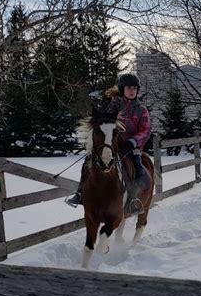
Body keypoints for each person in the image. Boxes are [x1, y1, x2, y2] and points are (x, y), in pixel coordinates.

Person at [65, 72, 151, 207]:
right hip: (113, 145)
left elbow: (145, 131)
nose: (132, 91)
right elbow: (106, 123)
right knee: (88, 162)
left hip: (132, 148)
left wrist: (133, 142)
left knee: (138, 169)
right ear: (123, 89)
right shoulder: (114, 105)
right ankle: (80, 193)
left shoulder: (142, 110)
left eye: (134, 88)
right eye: (129, 88)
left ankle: (133, 199)